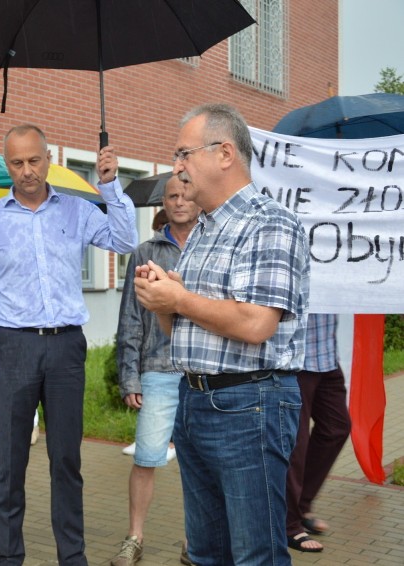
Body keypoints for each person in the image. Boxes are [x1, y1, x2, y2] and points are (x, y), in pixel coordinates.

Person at [133, 103, 310, 565]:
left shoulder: (269, 222)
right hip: (195, 401)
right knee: (207, 553)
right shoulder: (205, 227)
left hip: (248, 405)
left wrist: (179, 299)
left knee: (256, 554)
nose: (178, 167)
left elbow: (256, 324)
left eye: (184, 153)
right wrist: (163, 300)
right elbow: (183, 330)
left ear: (225, 153)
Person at [0, 124, 138, 565]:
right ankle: (9, 557)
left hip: (65, 351)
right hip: (14, 348)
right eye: (16, 163)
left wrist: (111, 186)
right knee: (10, 462)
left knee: (65, 461)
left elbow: (126, 240)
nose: (27, 171)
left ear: (49, 158)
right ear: (8, 166)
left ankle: (72, 556)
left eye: (34, 160)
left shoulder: (77, 211)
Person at [110, 176, 199, 566]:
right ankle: (134, 537)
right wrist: (130, 375)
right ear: (163, 204)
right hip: (159, 371)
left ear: (198, 199)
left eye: (185, 195)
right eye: (172, 197)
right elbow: (130, 318)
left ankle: (193, 542)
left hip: (202, 371)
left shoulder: (212, 246)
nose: (179, 202)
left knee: (199, 464)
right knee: (147, 457)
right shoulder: (146, 251)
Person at [285, 313, 351, 553]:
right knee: (296, 444)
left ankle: (301, 506)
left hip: (326, 356)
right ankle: (289, 524)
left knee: (336, 428)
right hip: (296, 359)